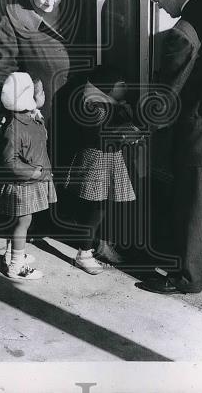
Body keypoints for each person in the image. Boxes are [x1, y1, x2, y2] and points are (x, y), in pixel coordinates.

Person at [139, 0, 202, 295]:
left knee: (190, 200)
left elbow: (167, 93)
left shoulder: (181, 33)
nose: (157, 6)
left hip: (193, 126)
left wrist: (142, 124)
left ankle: (187, 277)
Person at [65, 67, 143, 274]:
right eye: (121, 84)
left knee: (100, 207)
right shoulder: (96, 107)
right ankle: (84, 253)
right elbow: (99, 135)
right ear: (107, 87)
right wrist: (127, 134)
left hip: (106, 160)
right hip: (97, 163)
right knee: (96, 208)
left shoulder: (106, 103)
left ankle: (95, 244)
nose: (125, 87)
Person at [0, 0, 71, 131]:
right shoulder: (12, 19)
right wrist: (22, 107)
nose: (51, 2)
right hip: (41, 113)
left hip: (74, 107)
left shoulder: (75, 7)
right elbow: (0, 70)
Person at [0, 72, 55, 281]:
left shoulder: (29, 118)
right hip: (24, 184)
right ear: (27, 96)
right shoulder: (16, 126)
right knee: (23, 223)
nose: (44, 96)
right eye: (40, 93)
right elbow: (9, 162)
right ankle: (16, 265)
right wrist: (33, 172)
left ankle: (13, 253)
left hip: (31, 180)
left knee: (21, 222)